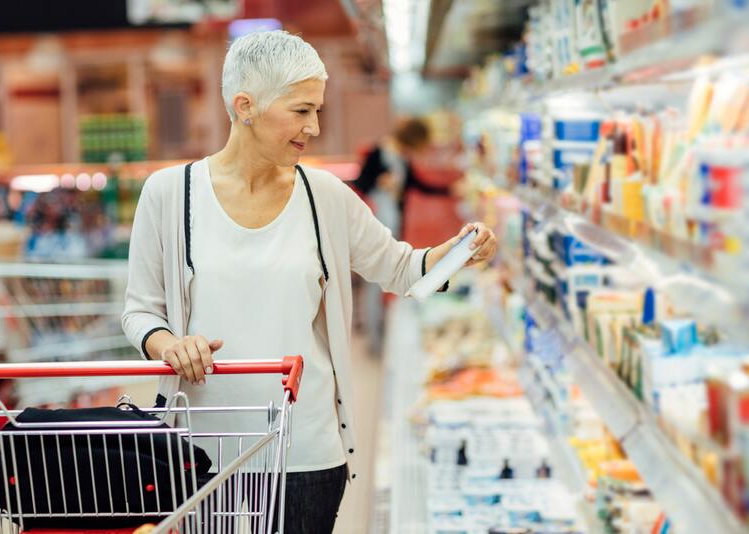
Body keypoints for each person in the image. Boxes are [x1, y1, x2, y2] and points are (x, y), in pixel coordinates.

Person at [121, 30, 497, 534]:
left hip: (305, 451)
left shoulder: (326, 196)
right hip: (197, 452)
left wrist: (458, 253)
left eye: (317, 110)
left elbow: (404, 270)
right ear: (245, 105)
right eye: (301, 111)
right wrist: (168, 343)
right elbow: (140, 310)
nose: (314, 127)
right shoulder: (169, 194)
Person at [354, 118, 452, 352]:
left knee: (388, 277)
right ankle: (373, 338)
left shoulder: (403, 158)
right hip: (375, 225)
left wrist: (448, 190)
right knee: (374, 282)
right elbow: (361, 183)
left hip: (393, 225)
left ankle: (381, 334)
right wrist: (379, 182)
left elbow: (417, 185)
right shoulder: (378, 153)